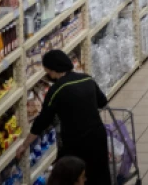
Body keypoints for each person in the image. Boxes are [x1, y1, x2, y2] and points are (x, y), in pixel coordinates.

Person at [19, 51, 111, 185]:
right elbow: (102, 102)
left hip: (76, 143)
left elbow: (42, 121)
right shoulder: (87, 78)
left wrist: (24, 144)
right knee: (100, 175)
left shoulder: (56, 90)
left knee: (75, 177)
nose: (49, 76)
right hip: (98, 137)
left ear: (54, 70)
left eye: (48, 72)